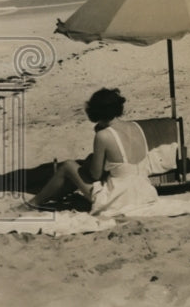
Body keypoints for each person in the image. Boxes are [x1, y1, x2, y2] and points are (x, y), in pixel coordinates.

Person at [26, 88, 158, 214]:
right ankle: (55, 194)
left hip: (118, 198)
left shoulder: (103, 135)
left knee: (68, 166)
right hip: (145, 192)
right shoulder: (135, 126)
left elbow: (95, 175)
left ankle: (34, 203)